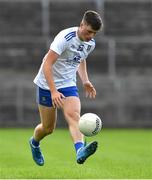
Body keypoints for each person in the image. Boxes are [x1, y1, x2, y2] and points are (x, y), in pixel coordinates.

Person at [29, 10, 103, 166]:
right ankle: (34, 143)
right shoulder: (65, 38)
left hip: (68, 84)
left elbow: (80, 59)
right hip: (46, 84)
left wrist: (85, 81)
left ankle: (80, 150)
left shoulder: (90, 43)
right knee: (48, 128)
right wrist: (53, 91)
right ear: (82, 24)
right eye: (89, 31)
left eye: (94, 34)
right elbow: (47, 64)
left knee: (74, 116)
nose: (91, 36)